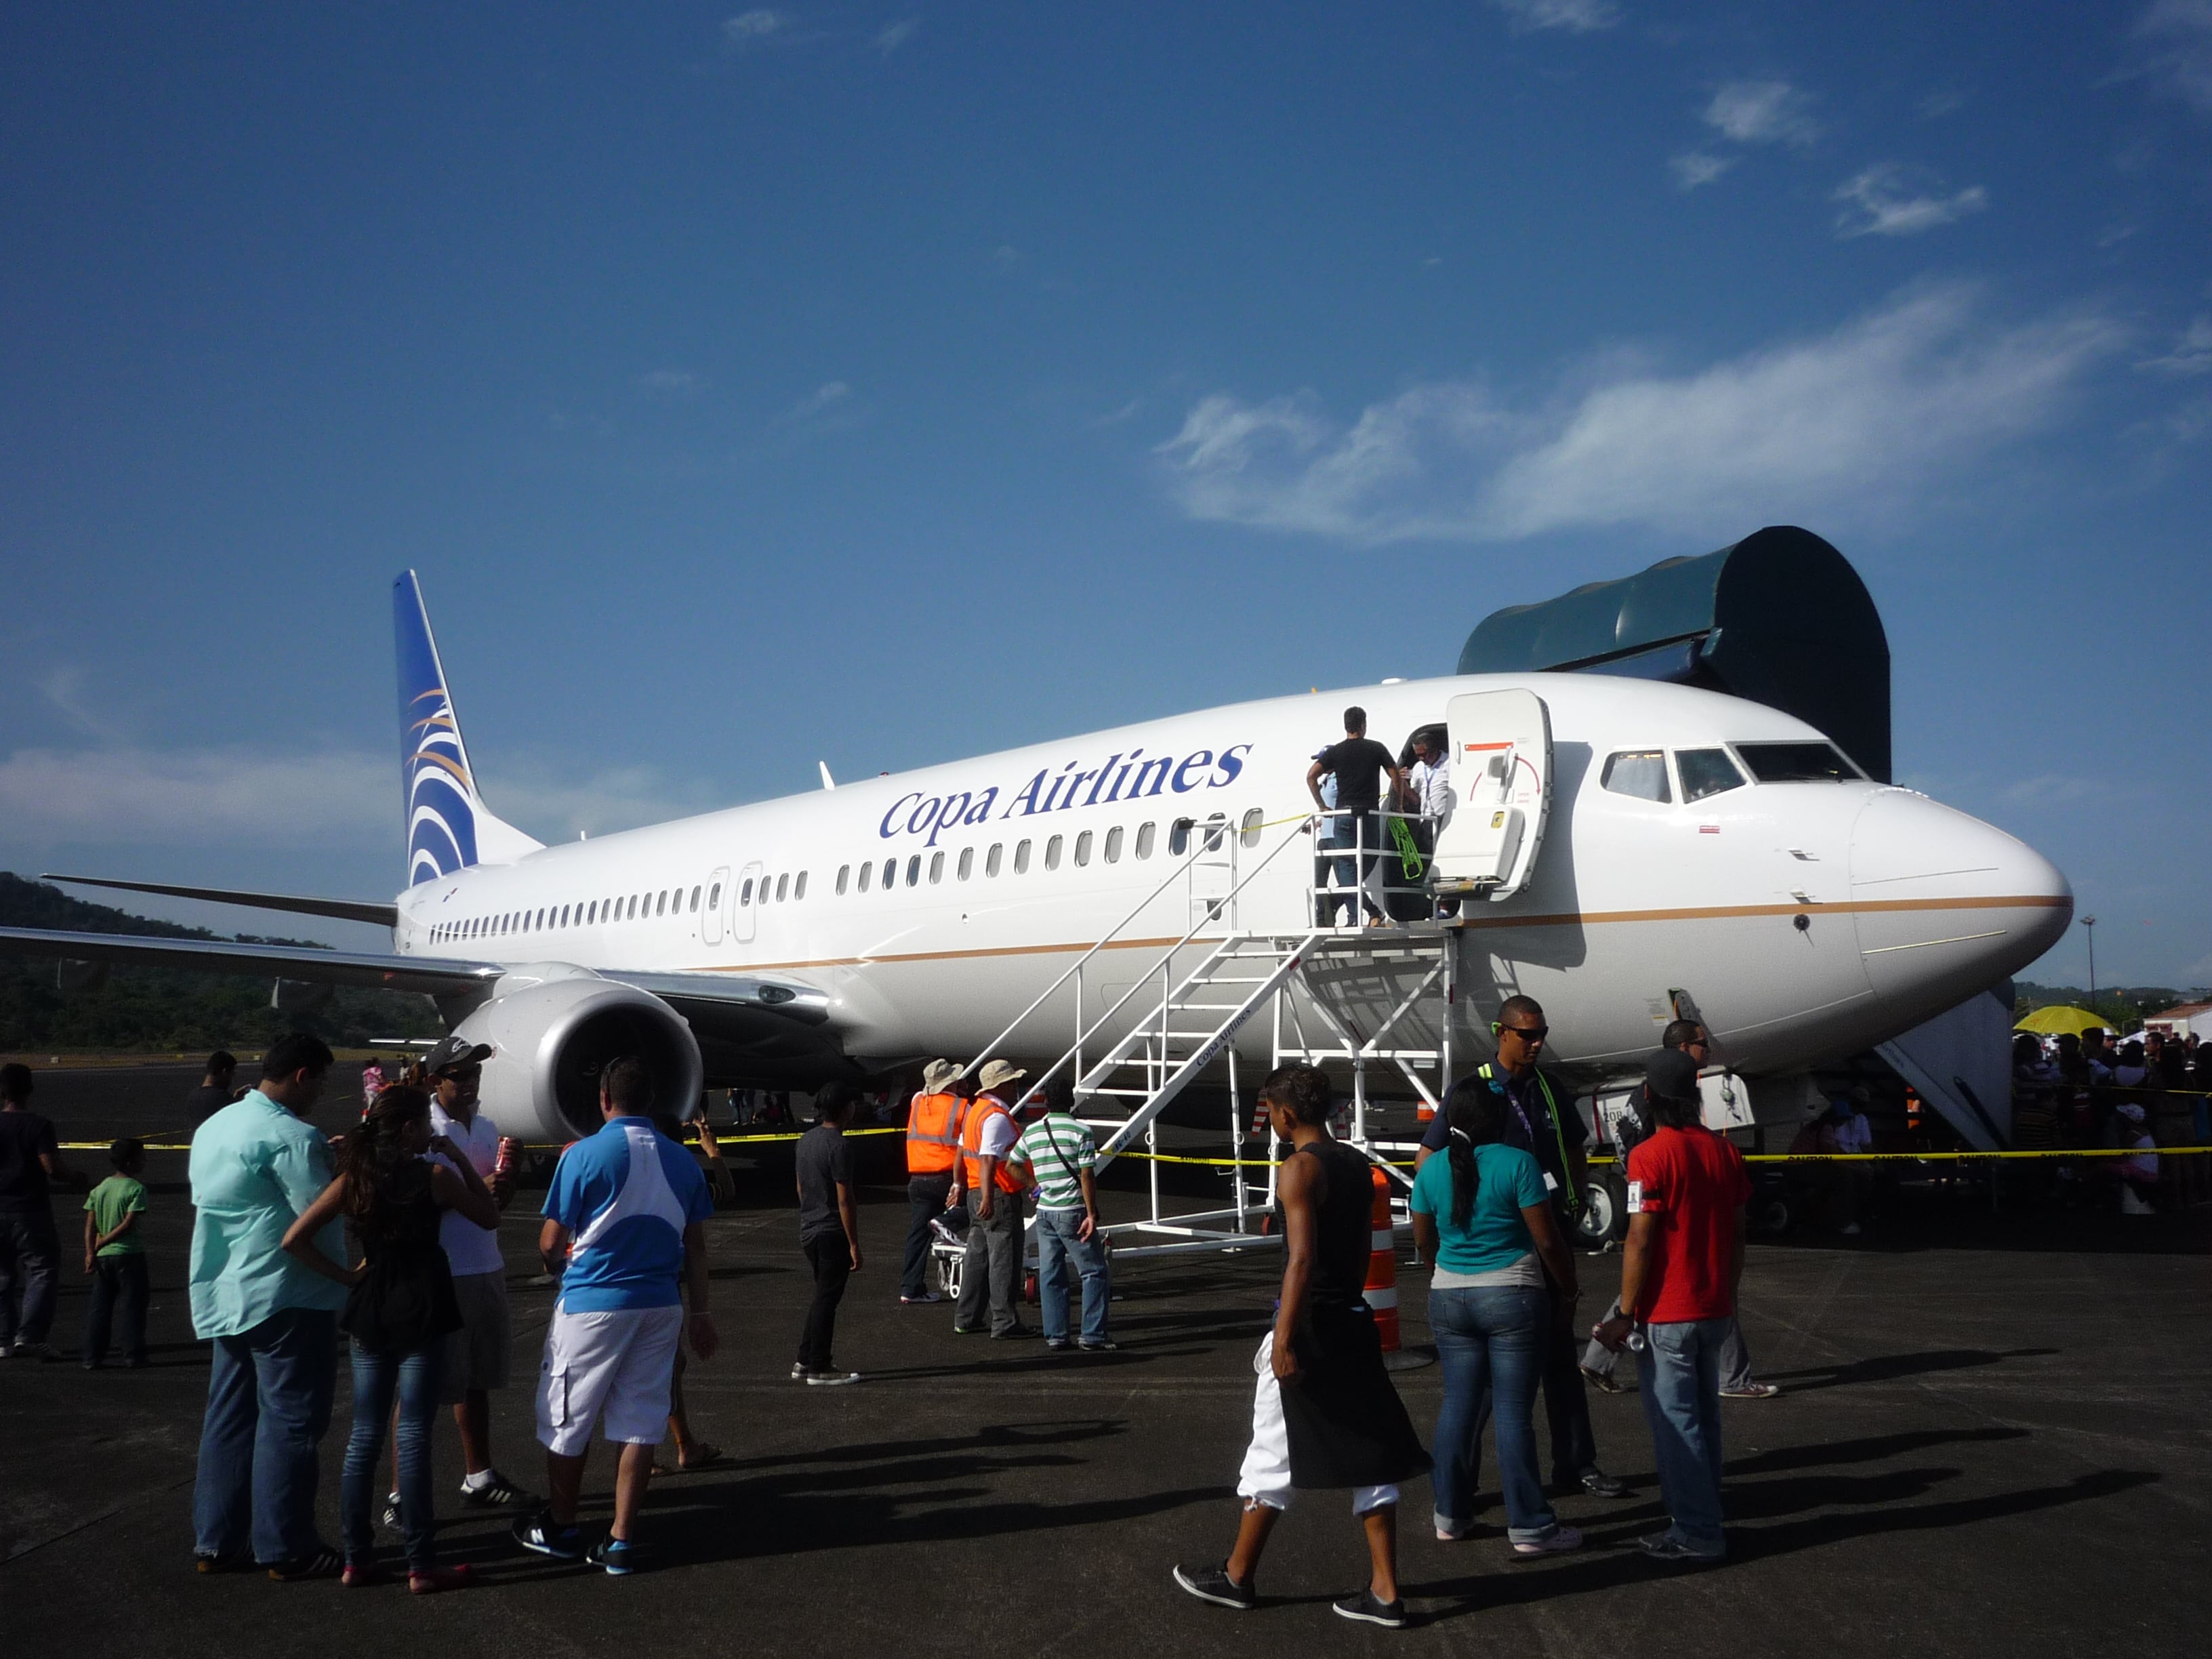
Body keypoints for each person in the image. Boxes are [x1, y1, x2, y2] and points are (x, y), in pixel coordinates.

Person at [1173, 1065, 1430, 1628]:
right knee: (1370, 1455)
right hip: (1353, 1319)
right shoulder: (1356, 1164)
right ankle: (1384, 1590)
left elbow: (1301, 1260)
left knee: (1270, 1450)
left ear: (1286, 1114)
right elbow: (1356, 1249)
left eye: (1271, 1111)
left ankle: (1238, 1576)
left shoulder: (1299, 1169)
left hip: (1311, 1323)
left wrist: (1285, 1339)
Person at [281, 1084, 495, 1591]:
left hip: (371, 1306)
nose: (429, 1130)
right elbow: (489, 1215)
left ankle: (357, 1556)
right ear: (407, 1130)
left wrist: (345, 1276)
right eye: (423, 1123)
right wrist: (459, 1157)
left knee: (363, 1436)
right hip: (423, 1306)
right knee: (414, 1435)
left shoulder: (354, 1179)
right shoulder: (435, 1177)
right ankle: (421, 1562)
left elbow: (295, 1238)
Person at [514, 1056, 718, 1574]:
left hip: (593, 1306)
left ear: (604, 1098)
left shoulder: (583, 1155)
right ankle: (621, 1539)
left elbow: (551, 1241)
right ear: (651, 1102)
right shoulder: (683, 1160)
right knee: (641, 1422)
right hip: (660, 1305)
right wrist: (702, 1312)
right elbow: (696, 1247)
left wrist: (554, 1262)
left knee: (567, 1418)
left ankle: (561, 1526)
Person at [1416, 997, 1625, 1498]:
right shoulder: (1474, 1091)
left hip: (1548, 1233)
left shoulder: (1551, 1088)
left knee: (1558, 1359)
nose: (1536, 1044)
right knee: (1488, 1379)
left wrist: (1573, 1201)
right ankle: (1460, 1486)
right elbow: (1429, 1158)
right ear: (1501, 1032)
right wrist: (1459, 1222)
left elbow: (1575, 1147)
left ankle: (1576, 1464)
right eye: (1527, 1035)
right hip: (1501, 1247)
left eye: (1541, 1034)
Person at [187, 1033, 350, 1579]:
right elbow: (317, 1211)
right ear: (303, 1076)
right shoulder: (292, 1136)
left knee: (229, 1419)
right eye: (322, 1082)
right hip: (287, 1295)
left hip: (225, 1291)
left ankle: (217, 1541)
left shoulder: (218, 1125)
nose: (322, 1093)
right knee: (291, 1423)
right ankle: (286, 1546)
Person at [1593, 1050, 1753, 1564]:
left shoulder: (1649, 1156)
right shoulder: (1724, 1153)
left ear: (1649, 1098)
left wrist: (1625, 1311)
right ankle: (1704, 1514)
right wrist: (1727, 1294)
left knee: (1676, 1426)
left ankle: (1698, 1530)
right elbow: (1739, 1233)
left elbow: (1640, 1239)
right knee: (1705, 1420)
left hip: (1668, 1313)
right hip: (1713, 1309)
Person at [1411, 1075, 1581, 1555]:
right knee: (1512, 1414)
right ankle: (1530, 1525)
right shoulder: (1518, 1163)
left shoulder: (1432, 1169)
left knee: (1458, 1407)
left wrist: (1440, 1268)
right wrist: (1567, 1289)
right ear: (1500, 1118)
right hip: (1512, 1294)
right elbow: (1546, 1239)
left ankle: (1450, 1513)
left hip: (1449, 1295)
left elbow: (1424, 1239)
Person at [1582, 1021, 1778, 1401]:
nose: (1709, 1051)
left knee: (1649, 1281)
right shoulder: (1664, 1105)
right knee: (1698, 1277)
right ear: (1686, 1048)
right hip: (1670, 1195)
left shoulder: (1646, 1093)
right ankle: (1732, 1378)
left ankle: (1599, 1355)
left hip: (1659, 1188)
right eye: (1704, 1045)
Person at [415, 1035, 532, 1516]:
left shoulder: (486, 1128)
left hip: (485, 1264)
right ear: (433, 1081)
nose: (469, 1082)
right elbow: (411, 1201)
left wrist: (504, 1187)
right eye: (458, 1075)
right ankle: (403, 1493)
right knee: (420, 1386)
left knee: (478, 1379)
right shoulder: (421, 1130)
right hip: (441, 1271)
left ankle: (479, 1474)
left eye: (475, 1073)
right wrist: (473, 1190)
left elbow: (494, 1203)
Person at [1008, 1077, 1114, 1352]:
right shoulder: (1081, 1131)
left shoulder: (1032, 1131)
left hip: (1045, 1211)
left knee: (1051, 1273)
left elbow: (1012, 1164)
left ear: (1045, 1102)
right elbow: (1086, 1175)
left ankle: (1056, 1334)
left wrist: (1034, 1186)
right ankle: (1092, 1335)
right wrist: (1091, 1213)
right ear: (1071, 1100)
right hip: (1072, 1211)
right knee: (1093, 1271)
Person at [1, 1062, 85, 1359]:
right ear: (30, 1090)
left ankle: (5, 1338)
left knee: (3, 1275)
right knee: (42, 1269)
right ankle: (31, 1335)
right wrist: (75, 1177)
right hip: (29, 1208)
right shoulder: (38, 1125)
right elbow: (51, 1167)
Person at [1306, 706, 1406, 927]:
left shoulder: (1337, 752)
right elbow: (1394, 774)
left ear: (1346, 726)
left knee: (1348, 866)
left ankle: (1353, 916)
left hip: (1343, 816)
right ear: (1363, 725)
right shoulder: (1376, 748)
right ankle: (1365, 910)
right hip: (1367, 814)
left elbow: (1311, 776)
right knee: (1369, 857)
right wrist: (1398, 805)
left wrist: (1322, 806)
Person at [952, 1059, 1030, 1339]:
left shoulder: (975, 1112)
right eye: (1014, 1082)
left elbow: (962, 1152)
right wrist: (987, 1196)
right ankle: (1005, 1322)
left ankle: (967, 1317)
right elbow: (988, 1159)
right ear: (1002, 1086)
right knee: (1004, 1259)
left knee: (978, 1257)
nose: (1017, 1087)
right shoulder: (996, 1116)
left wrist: (959, 1184)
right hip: (997, 1196)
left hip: (977, 1193)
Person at [794, 1082, 864, 1385]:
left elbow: (800, 1187)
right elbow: (844, 1198)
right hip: (831, 1230)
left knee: (821, 1295)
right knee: (827, 1299)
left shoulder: (805, 1141)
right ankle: (819, 1366)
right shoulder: (840, 1145)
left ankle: (804, 1358)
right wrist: (853, 1243)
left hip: (809, 1227)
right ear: (846, 1108)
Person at [899, 1059, 966, 1305]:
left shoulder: (918, 1102)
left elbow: (922, 1094)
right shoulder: (961, 1107)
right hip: (948, 1178)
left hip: (918, 1179)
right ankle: (946, 1222)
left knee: (917, 1235)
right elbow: (968, 1143)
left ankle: (910, 1289)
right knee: (978, 1207)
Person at [81, 1136, 151, 1369]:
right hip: (129, 1254)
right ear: (131, 1163)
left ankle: (92, 1356)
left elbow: (90, 1225)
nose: (144, 1161)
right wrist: (103, 1243)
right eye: (141, 1157)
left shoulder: (100, 1189)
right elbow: (128, 1224)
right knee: (133, 1305)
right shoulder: (136, 1189)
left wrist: (91, 1251)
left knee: (100, 1307)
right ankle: (133, 1354)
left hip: (103, 1258)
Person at [186, 1051, 242, 1126]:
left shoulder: (193, 1097)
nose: (231, 1080)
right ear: (224, 1072)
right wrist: (235, 1101)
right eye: (231, 1074)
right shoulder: (222, 1098)